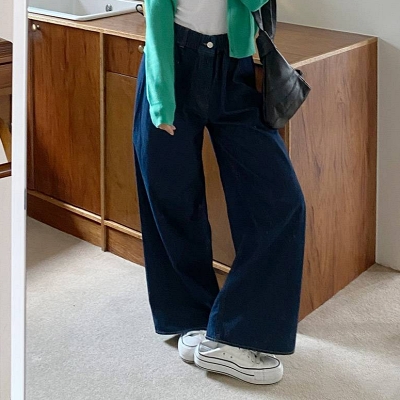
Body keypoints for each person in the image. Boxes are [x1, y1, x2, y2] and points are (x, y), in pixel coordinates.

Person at [132, 0, 306, 385]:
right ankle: (191, 316)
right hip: (170, 61)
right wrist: (160, 99)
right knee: (172, 198)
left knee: (280, 202)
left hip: (233, 67)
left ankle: (236, 332)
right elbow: (156, 13)